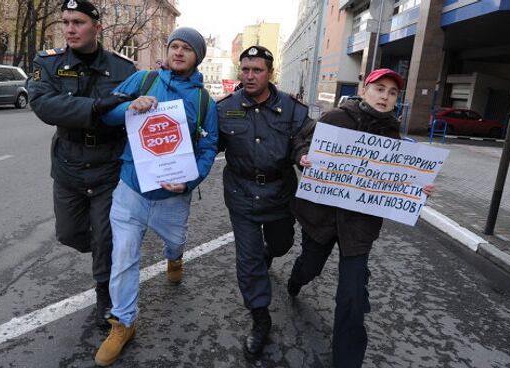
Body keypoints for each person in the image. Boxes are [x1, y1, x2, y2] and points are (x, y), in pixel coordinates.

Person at [287, 68, 435, 368]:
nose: (385, 96)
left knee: (352, 295)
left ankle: (347, 360)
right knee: (311, 267)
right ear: (365, 89)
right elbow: (301, 142)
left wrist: (418, 186)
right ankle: (296, 279)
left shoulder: (393, 135)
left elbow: (396, 177)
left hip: (360, 226)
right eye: (380, 89)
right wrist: (303, 156)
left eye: (392, 93)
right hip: (322, 219)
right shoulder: (335, 118)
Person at [93, 27, 218, 366]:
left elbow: (208, 148)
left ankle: (174, 257)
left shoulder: (205, 101)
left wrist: (190, 181)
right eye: (174, 46)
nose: (178, 52)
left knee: (176, 241)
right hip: (131, 187)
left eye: (186, 49)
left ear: (197, 57)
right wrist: (129, 108)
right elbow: (106, 113)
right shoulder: (143, 80)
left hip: (172, 195)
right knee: (124, 256)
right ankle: (123, 322)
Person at [27, 0, 136, 329]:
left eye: (78, 22)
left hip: (108, 166)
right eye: (66, 22)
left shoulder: (123, 69)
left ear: (97, 27)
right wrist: (99, 106)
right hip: (69, 165)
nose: (70, 29)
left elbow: (135, 115)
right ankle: (109, 256)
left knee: (105, 236)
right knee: (69, 234)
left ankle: (105, 290)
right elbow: (44, 104)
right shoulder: (48, 63)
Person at [216, 45, 310, 359]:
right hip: (241, 195)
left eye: (257, 70)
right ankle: (260, 317)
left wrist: (303, 156)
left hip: (280, 195)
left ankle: (271, 253)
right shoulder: (224, 107)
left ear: (270, 73)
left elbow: (303, 141)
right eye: (245, 70)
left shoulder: (293, 109)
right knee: (248, 258)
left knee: (282, 244)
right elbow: (207, 146)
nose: (250, 76)